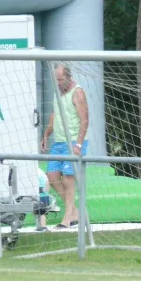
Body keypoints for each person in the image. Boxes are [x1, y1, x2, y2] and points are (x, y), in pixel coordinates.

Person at [41, 64, 89, 229]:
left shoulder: (78, 93)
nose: (58, 82)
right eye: (56, 79)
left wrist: (79, 144)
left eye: (60, 79)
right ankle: (75, 211)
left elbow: (85, 120)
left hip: (74, 142)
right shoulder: (57, 92)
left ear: (68, 78)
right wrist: (46, 135)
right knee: (52, 176)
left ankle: (67, 218)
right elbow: (55, 115)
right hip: (59, 141)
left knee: (69, 179)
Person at [36, 168, 51, 232]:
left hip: (42, 194)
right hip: (39, 194)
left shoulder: (38, 171)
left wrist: (45, 191)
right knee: (38, 212)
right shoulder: (39, 171)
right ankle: (40, 226)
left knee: (43, 212)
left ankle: (43, 226)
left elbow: (47, 182)